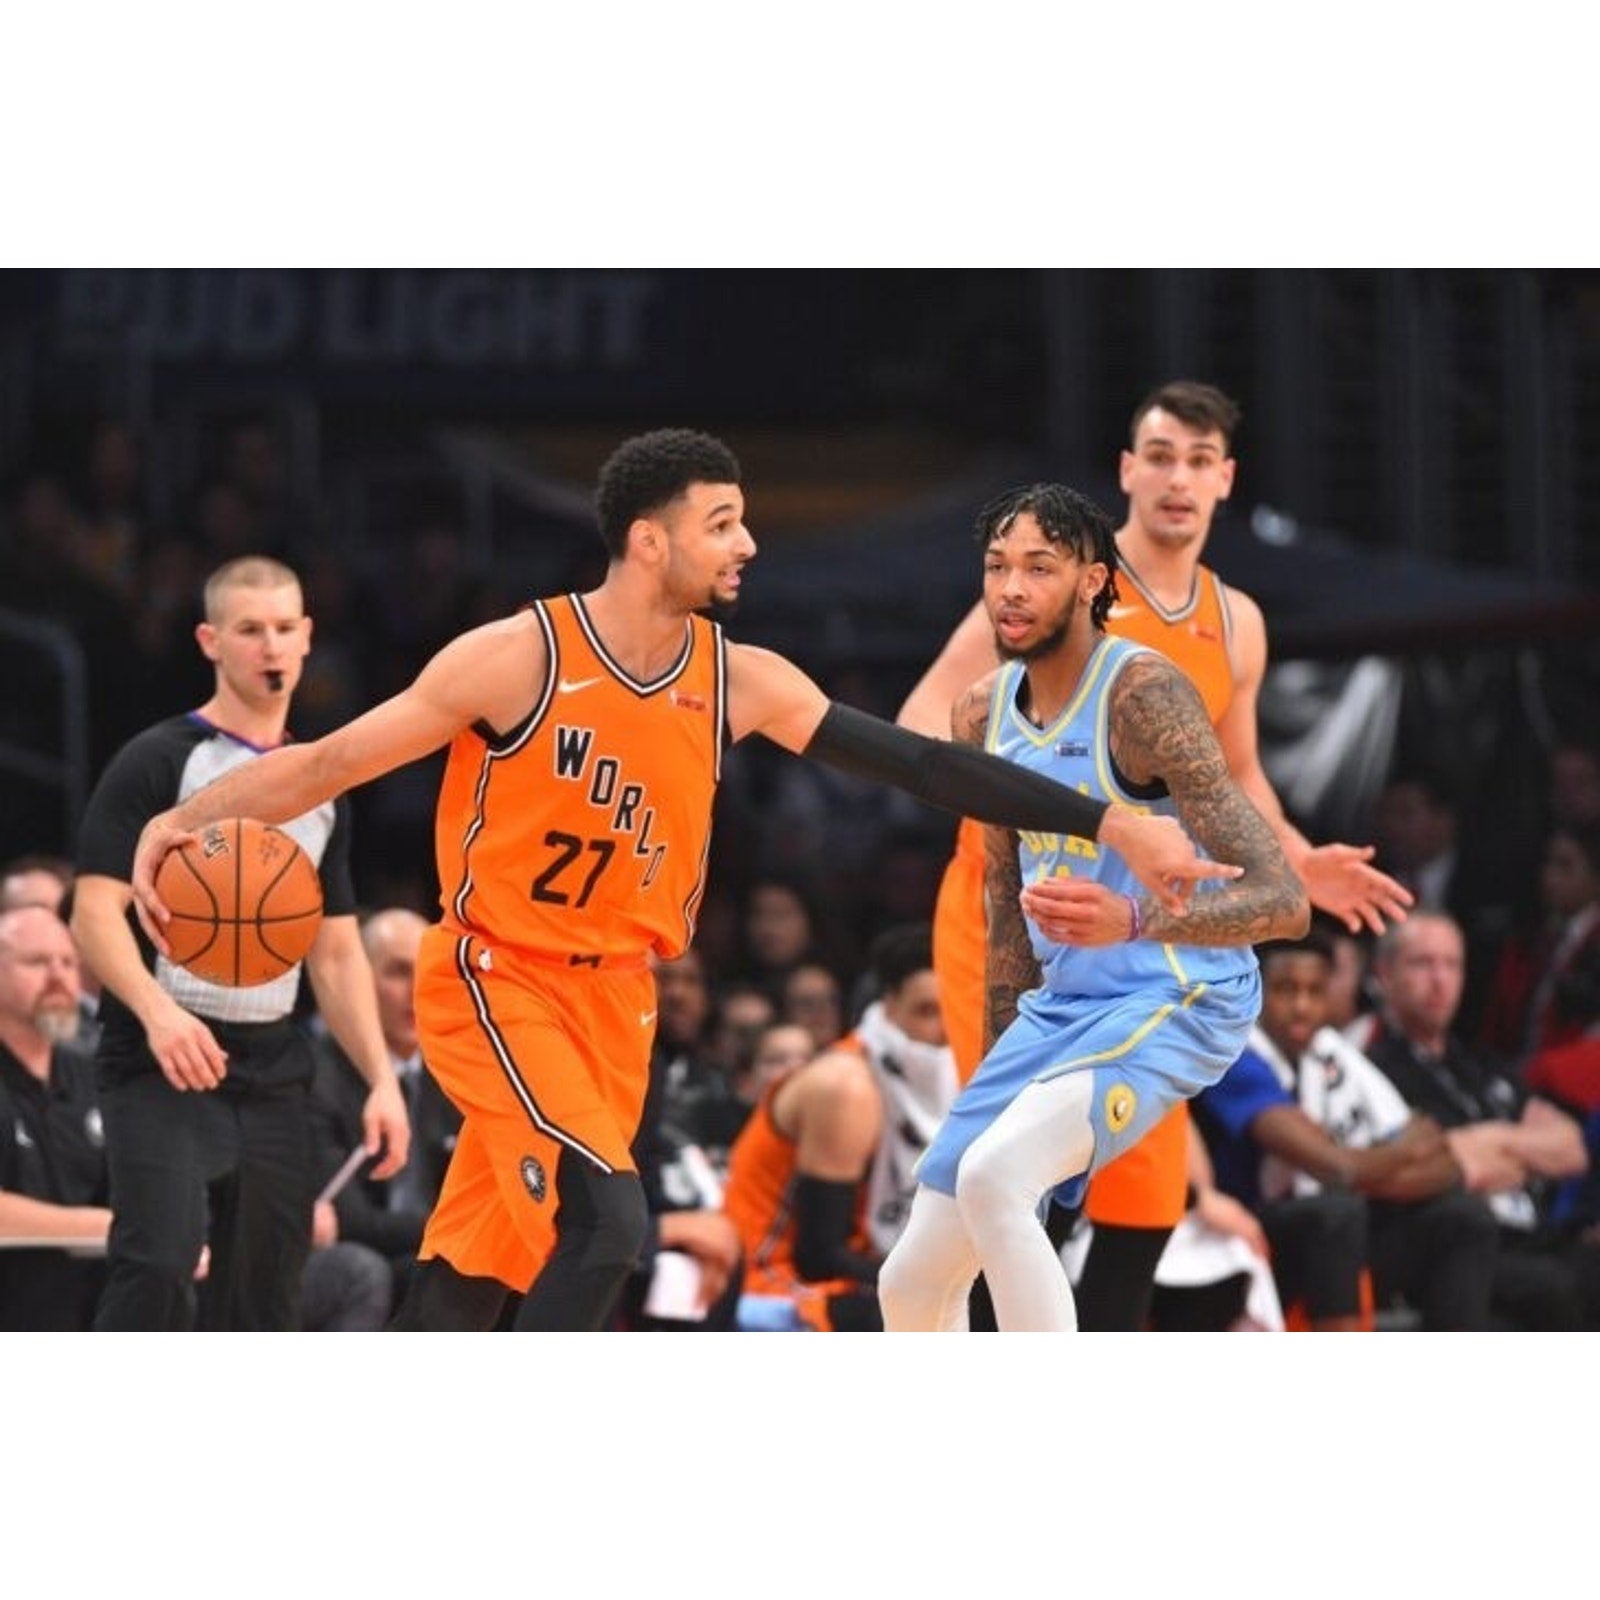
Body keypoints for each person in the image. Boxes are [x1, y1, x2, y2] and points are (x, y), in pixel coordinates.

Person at [126, 429, 1233, 1334]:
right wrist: (180, 818)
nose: (748, 542)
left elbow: (925, 765)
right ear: (649, 541)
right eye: (722, 522)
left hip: (620, 1001)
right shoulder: (521, 657)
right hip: (500, 978)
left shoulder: (736, 678)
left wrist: (1106, 818)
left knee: (475, 1270)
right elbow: (326, 763)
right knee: (607, 1226)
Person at [894, 380, 1410, 1329]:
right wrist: (1038, 809)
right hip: (1010, 914)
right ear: (1127, 470)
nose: (1178, 479)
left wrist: (1299, 860)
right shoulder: (1050, 581)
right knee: (1002, 1182)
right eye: (1161, 456)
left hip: (1142, 942)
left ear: (1226, 480)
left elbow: (1240, 778)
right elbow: (925, 721)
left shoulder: (1233, 619)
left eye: (1198, 461)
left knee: (1141, 1201)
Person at [877, 481, 1310, 1333]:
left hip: (1180, 994)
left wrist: (1137, 920)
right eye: (998, 566)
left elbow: (1284, 903)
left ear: (1092, 581)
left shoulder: (1143, 697)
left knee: (997, 1179)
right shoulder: (981, 712)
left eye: (1039, 567)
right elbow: (1008, 918)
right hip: (1063, 1007)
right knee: (911, 1280)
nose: (1012, 589)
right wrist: (1001, 1077)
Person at [70, 555, 409, 1331]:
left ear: (309, 636)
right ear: (210, 641)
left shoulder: (320, 784)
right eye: (250, 629)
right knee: (158, 1265)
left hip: (272, 1065)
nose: (271, 646)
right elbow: (93, 911)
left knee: (263, 1299)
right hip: (161, 1055)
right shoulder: (159, 759)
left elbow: (334, 950)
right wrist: (157, 1012)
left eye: (285, 628)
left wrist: (381, 1080)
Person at [1194, 931, 1498, 1329]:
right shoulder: (1235, 1055)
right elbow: (1339, 1168)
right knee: (1335, 1214)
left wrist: (1362, 1170)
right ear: (1256, 991)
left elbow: (1446, 1165)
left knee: (1465, 1217)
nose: (1302, 1007)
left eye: (1315, 991)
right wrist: (1401, 1152)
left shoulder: (1328, 1050)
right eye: (1286, 990)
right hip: (1239, 1241)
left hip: (1333, 1233)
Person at [1359, 911, 1591, 1329]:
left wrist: (1495, 1139)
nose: (1440, 980)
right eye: (1423, 963)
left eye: (1452, 965)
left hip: (1533, 1233)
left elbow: (1573, 1148)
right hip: (1454, 1247)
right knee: (1554, 1287)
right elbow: (1443, 1165)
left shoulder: (1481, 1064)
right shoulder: (1372, 1071)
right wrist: (1522, 1146)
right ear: (1385, 974)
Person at [722, 922, 958, 1331]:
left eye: (953, 1010)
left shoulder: (943, 1072)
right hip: (772, 1280)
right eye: (926, 1011)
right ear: (889, 1006)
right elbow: (817, 1255)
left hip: (857, 1269)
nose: (944, 1029)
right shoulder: (845, 1086)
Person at [302, 907, 462, 1329]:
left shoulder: (456, 1077)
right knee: (370, 1272)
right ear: (360, 979)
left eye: (427, 972)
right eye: (398, 972)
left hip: (429, 1254)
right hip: (358, 1257)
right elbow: (346, 1219)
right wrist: (460, 1231)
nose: (415, 990)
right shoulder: (318, 1074)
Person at [0, 905, 110, 1329]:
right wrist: (96, 1226)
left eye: (67, 962)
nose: (58, 976)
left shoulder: (91, 1075)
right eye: (37, 962)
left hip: (91, 1306)